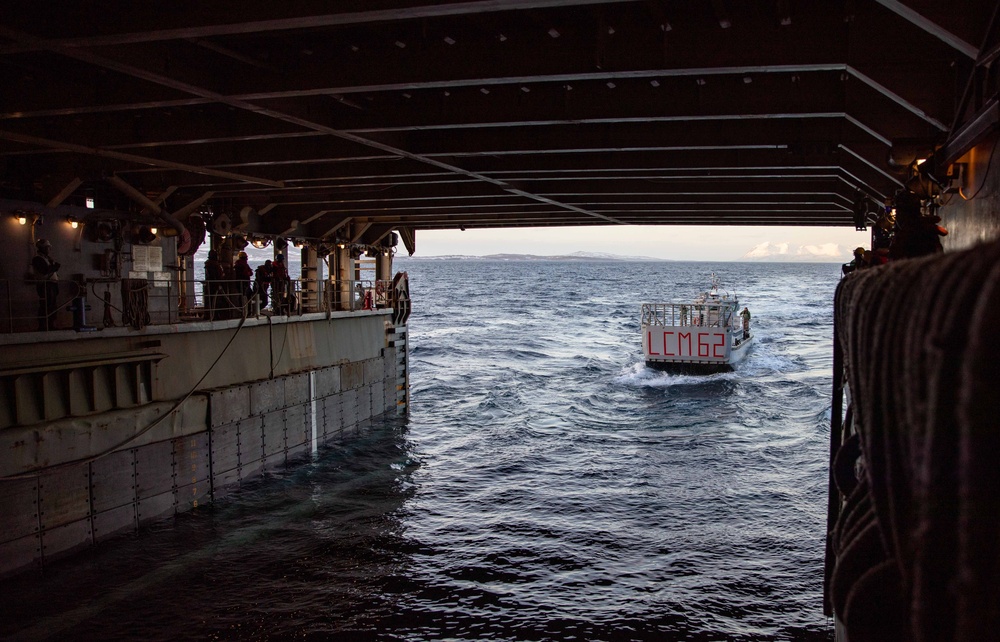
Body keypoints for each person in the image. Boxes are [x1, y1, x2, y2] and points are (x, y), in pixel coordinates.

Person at [32, 239, 60, 330]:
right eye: (47, 247)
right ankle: (44, 325)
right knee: (46, 305)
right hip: (45, 285)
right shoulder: (37, 259)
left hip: (51, 284)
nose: (49, 249)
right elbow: (45, 271)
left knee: (52, 305)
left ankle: (51, 324)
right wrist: (55, 267)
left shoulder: (47, 259)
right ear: (42, 248)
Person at [204, 249, 224, 320]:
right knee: (215, 301)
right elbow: (214, 275)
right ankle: (214, 315)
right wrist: (218, 284)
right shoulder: (213, 265)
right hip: (214, 285)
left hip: (212, 285)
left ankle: (212, 314)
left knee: (212, 301)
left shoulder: (209, 264)